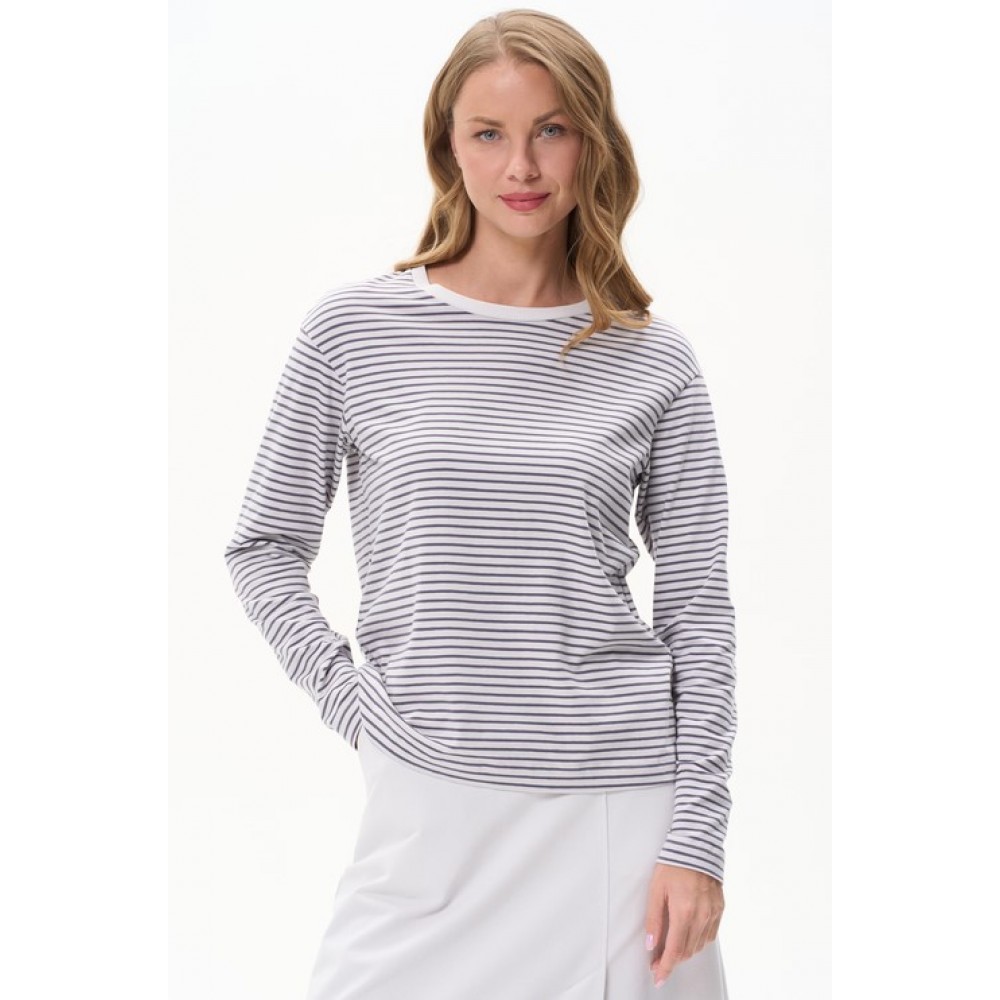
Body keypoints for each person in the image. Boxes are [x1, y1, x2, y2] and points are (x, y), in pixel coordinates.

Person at [223, 9, 737, 998]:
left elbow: (697, 610)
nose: (522, 166)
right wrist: (356, 704)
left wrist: (696, 835)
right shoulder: (354, 331)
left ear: (593, 141)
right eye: (489, 133)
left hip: (617, 809)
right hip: (429, 798)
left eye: (552, 129)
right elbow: (264, 546)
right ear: (447, 147)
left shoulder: (653, 359)